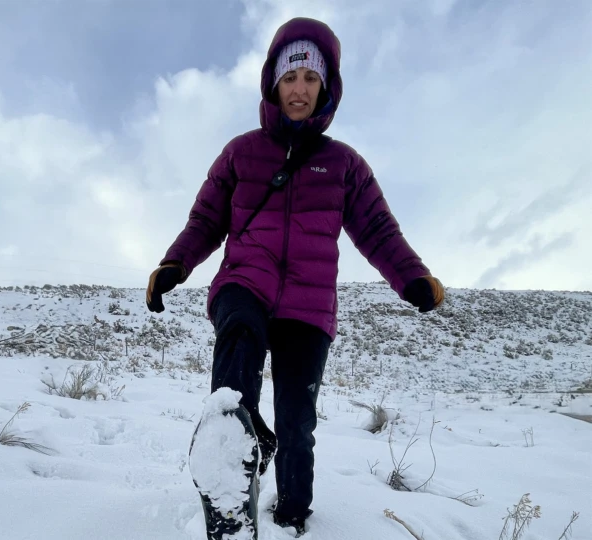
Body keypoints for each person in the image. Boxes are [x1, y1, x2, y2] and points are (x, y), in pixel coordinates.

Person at [145, 16, 445, 539]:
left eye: (310, 78)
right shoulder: (241, 152)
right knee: (238, 344)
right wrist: (176, 263)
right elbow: (206, 219)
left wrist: (412, 277)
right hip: (246, 280)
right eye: (290, 77)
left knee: (296, 422)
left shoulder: (344, 165)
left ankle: (291, 516)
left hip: (309, 305)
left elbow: (378, 230)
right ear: (273, 83)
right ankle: (229, 467)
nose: (299, 89)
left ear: (326, 87)